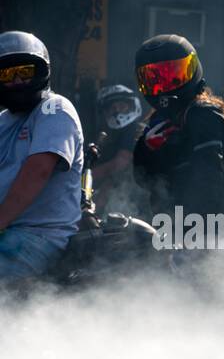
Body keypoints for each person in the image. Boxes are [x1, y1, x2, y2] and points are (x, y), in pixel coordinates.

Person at [131, 34, 224, 220]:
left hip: (205, 231)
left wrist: (195, 238)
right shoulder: (160, 120)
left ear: (193, 71)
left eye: (174, 76)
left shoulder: (203, 115)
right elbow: (145, 179)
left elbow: (208, 184)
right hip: (172, 225)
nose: (165, 87)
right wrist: (147, 150)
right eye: (155, 80)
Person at [0, 31, 83, 280]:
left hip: (37, 235)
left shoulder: (54, 108)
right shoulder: (3, 121)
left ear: (40, 71)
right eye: (7, 74)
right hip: (8, 231)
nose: (16, 81)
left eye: (24, 72)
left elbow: (39, 171)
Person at [91, 83, 145, 214]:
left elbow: (120, 164)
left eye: (122, 106)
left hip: (137, 197)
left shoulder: (134, 129)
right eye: (112, 108)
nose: (117, 112)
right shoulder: (108, 136)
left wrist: (84, 177)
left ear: (132, 105)